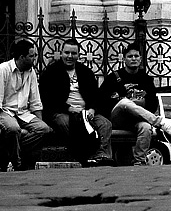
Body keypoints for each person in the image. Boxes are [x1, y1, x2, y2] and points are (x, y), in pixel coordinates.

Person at [97, 43, 171, 166]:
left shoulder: (146, 79)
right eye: (130, 56)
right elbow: (102, 101)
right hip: (117, 118)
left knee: (146, 128)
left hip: (136, 119)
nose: (133, 59)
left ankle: (139, 162)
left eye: (136, 56)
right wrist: (121, 100)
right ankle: (160, 123)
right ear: (124, 59)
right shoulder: (113, 78)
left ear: (140, 59)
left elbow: (152, 103)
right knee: (125, 103)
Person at [39, 38, 115, 167]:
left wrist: (92, 109)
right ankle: (81, 155)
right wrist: (68, 109)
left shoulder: (86, 72)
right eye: (67, 52)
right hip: (62, 111)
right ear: (61, 53)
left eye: (73, 53)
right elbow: (47, 99)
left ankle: (101, 156)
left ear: (78, 55)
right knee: (65, 123)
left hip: (86, 111)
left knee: (104, 124)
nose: (70, 56)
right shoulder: (51, 72)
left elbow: (96, 96)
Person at [0, 38, 52, 171]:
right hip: (4, 111)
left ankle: (8, 148)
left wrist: (39, 121)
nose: (35, 58)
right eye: (32, 56)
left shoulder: (31, 72)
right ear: (22, 57)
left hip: (23, 113)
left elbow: (35, 100)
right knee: (13, 130)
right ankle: (18, 163)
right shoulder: (2, 70)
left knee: (45, 130)